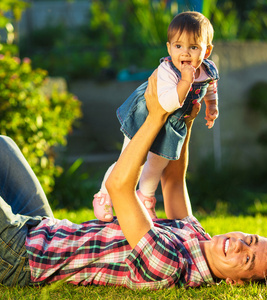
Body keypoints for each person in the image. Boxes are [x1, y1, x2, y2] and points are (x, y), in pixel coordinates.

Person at [0, 71, 267, 288]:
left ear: (233, 281)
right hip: (50, 231)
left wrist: (156, 114)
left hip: (24, 259)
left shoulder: (171, 265)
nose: (238, 246)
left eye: (246, 260)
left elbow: (122, 186)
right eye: (249, 239)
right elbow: (174, 178)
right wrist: (187, 116)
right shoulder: (196, 235)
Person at [93, 11, 220, 222]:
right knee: (131, 160)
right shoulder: (168, 70)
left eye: (193, 47)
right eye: (178, 46)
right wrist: (185, 82)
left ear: (206, 51)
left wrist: (212, 106)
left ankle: (146, 198)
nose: (185, 53)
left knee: (158, 163)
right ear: (169, 48)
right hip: (146, 115)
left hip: (173, 123)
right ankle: (104, 196)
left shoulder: (207, 70)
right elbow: (168, 103)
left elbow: (210, 86)